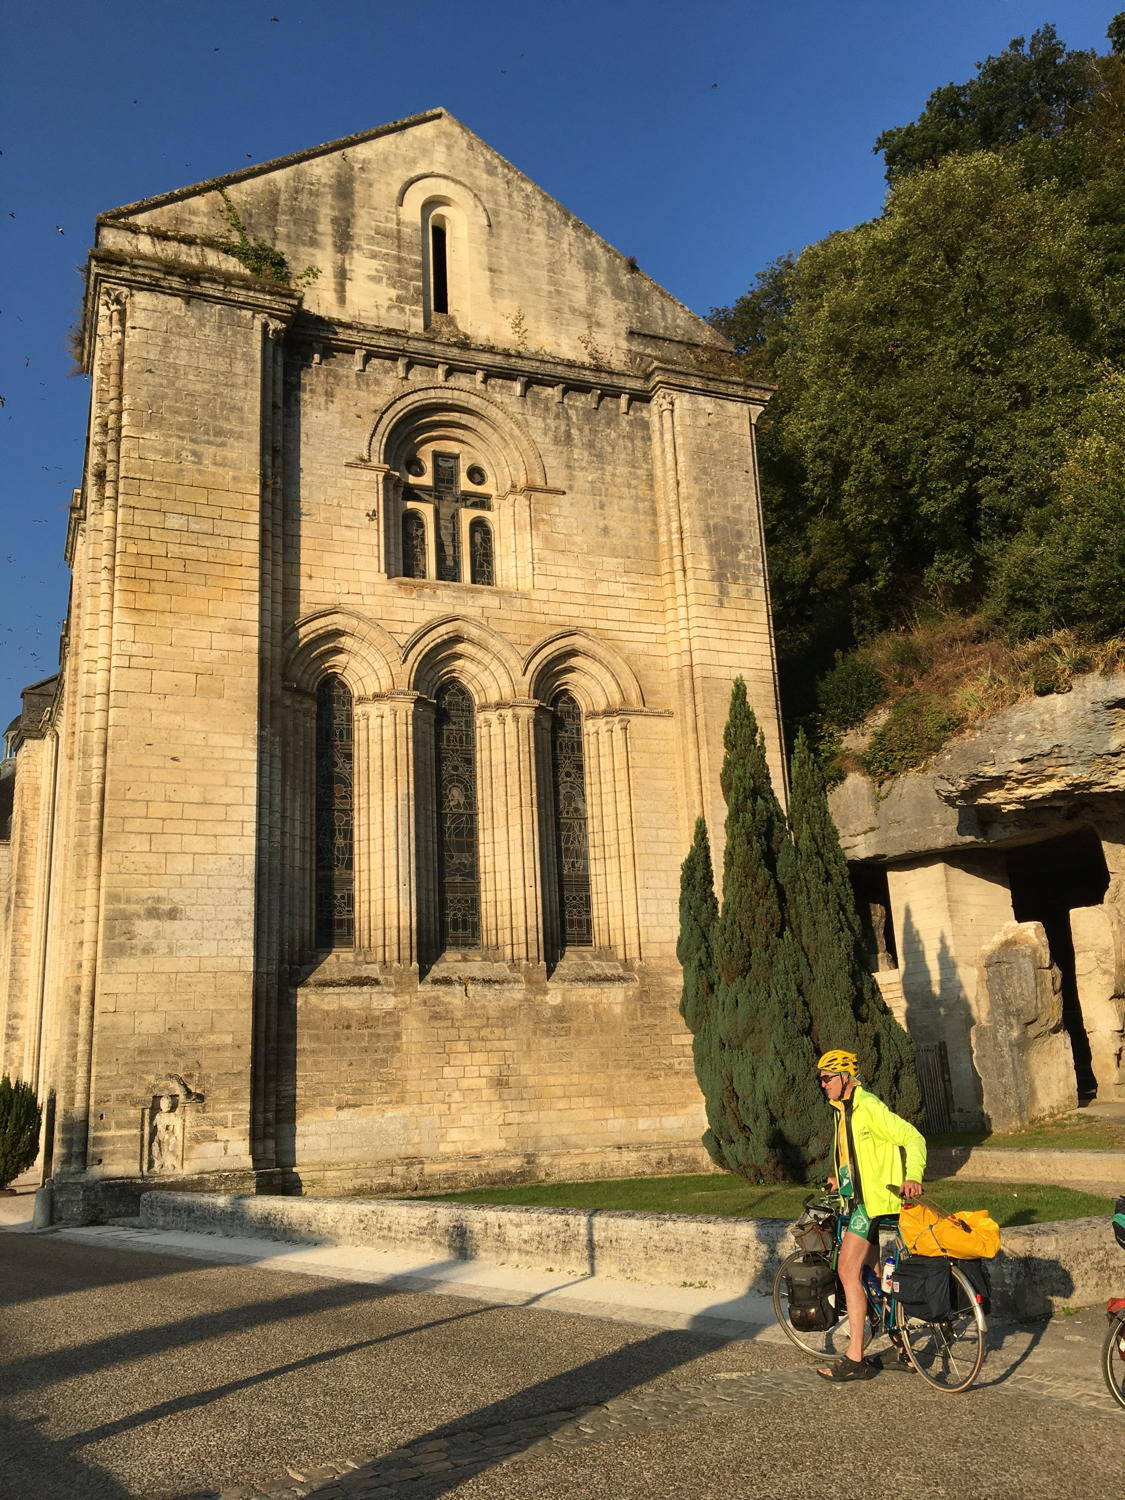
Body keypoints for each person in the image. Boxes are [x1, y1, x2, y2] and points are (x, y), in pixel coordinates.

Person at [815, 1048, 926, 1382]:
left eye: (827, 1078)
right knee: (876, 1276)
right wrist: (839, 1179)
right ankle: (900, 1346)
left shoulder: (870, 1108)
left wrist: (913, 1177)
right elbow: (857, 1158)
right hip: (860, 1201)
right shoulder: (843, 1111)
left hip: (872, 1206)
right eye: (820, 1079)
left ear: (845, 1078)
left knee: (847, 1270)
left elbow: (913, 1137)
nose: (822, 1085)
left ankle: (854, 1358)